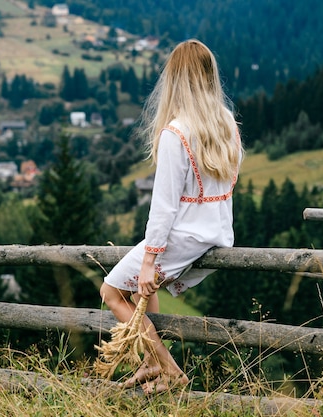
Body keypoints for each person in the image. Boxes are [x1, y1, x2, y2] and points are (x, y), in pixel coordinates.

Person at [99, 39, 243, 394]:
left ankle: (169, 369)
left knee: (112, 291)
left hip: (183, 236)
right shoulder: (226, 123)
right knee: (140, 289)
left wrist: (150, 260)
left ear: (174, 80)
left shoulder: (176, 132)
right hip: (218, 231)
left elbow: (163, 206)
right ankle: (150, 363)